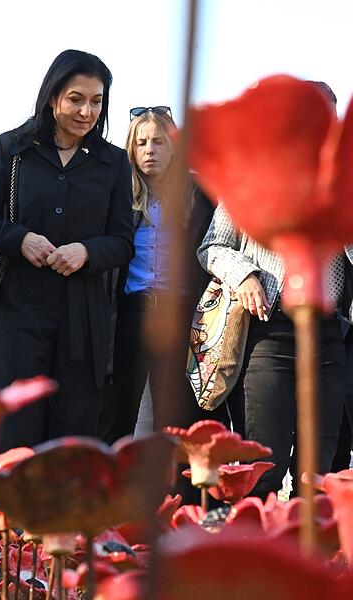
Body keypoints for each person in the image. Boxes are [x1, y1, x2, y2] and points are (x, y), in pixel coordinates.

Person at [0, 50, 134, 452]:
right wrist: (20, 239)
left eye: (96, 101)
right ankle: (10, 495)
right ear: (53, 96)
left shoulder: (113, 162)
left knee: (74, 432)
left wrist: (87, 252)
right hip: (18, 310)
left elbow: (123, 241)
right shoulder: (12, 148)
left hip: (84, 317)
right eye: (76, 99)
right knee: (16, 426)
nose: (86, 111)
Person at [198, 202, 348, 497]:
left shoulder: (340, 186)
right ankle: (255, 526)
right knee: (264, 467)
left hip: (328, 333)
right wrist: (243, 275)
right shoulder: (248, 183)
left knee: (317, 473)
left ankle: (306, 527)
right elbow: (212, 246)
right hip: (268, 330)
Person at [99, 107, 218, 443]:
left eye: (159, 142)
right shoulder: (117, 196)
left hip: (179, 313)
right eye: (142, 142)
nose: (149, 150)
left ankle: (176, 479)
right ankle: (116, 474)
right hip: (130, 313)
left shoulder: (198, 195)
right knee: (119, 411)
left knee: (175, 417)